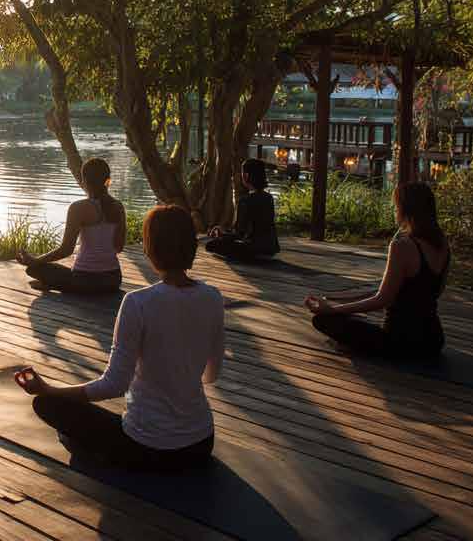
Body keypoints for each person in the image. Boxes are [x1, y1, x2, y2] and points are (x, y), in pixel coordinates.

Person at [14, 205, 225, 471]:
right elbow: (211, 375)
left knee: (47, 404)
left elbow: (113, 385)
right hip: (200, 443)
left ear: (150, 250)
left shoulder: (138, 303)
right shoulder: (213, 297)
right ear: (192, 247)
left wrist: (49, 389)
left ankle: (94, 449)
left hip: (146, 447)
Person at [304, 182, 449, 358]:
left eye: (396, 206)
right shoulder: (442, 244)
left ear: (405, 210)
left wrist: (332, 310)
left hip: (399, 341)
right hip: (433, 341)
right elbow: (434, 292)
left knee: (323, 320)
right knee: (353, 318)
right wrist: (339, 301)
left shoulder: (402, 245)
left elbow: (382, 299)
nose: (395, 211)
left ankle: (352, 345)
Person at [16, 158, 126, 294]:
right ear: (108, 181)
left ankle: (53, 284)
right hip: (113, 280)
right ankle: (54, 284)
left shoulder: (78, 208)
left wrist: (35, 261)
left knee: (34, 269)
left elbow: (66, 250)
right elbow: (119, 247)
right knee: (49, 270)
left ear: (84, 181)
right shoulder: (118, 207)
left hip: (83, 281)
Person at [205, 158, 279, 261]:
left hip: (252, 249)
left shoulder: (245, 200)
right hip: (270, 248)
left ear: (246, 176)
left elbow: (239, 233)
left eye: (242, 172)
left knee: (210, 245)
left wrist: (221, 233)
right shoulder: (269, 198)